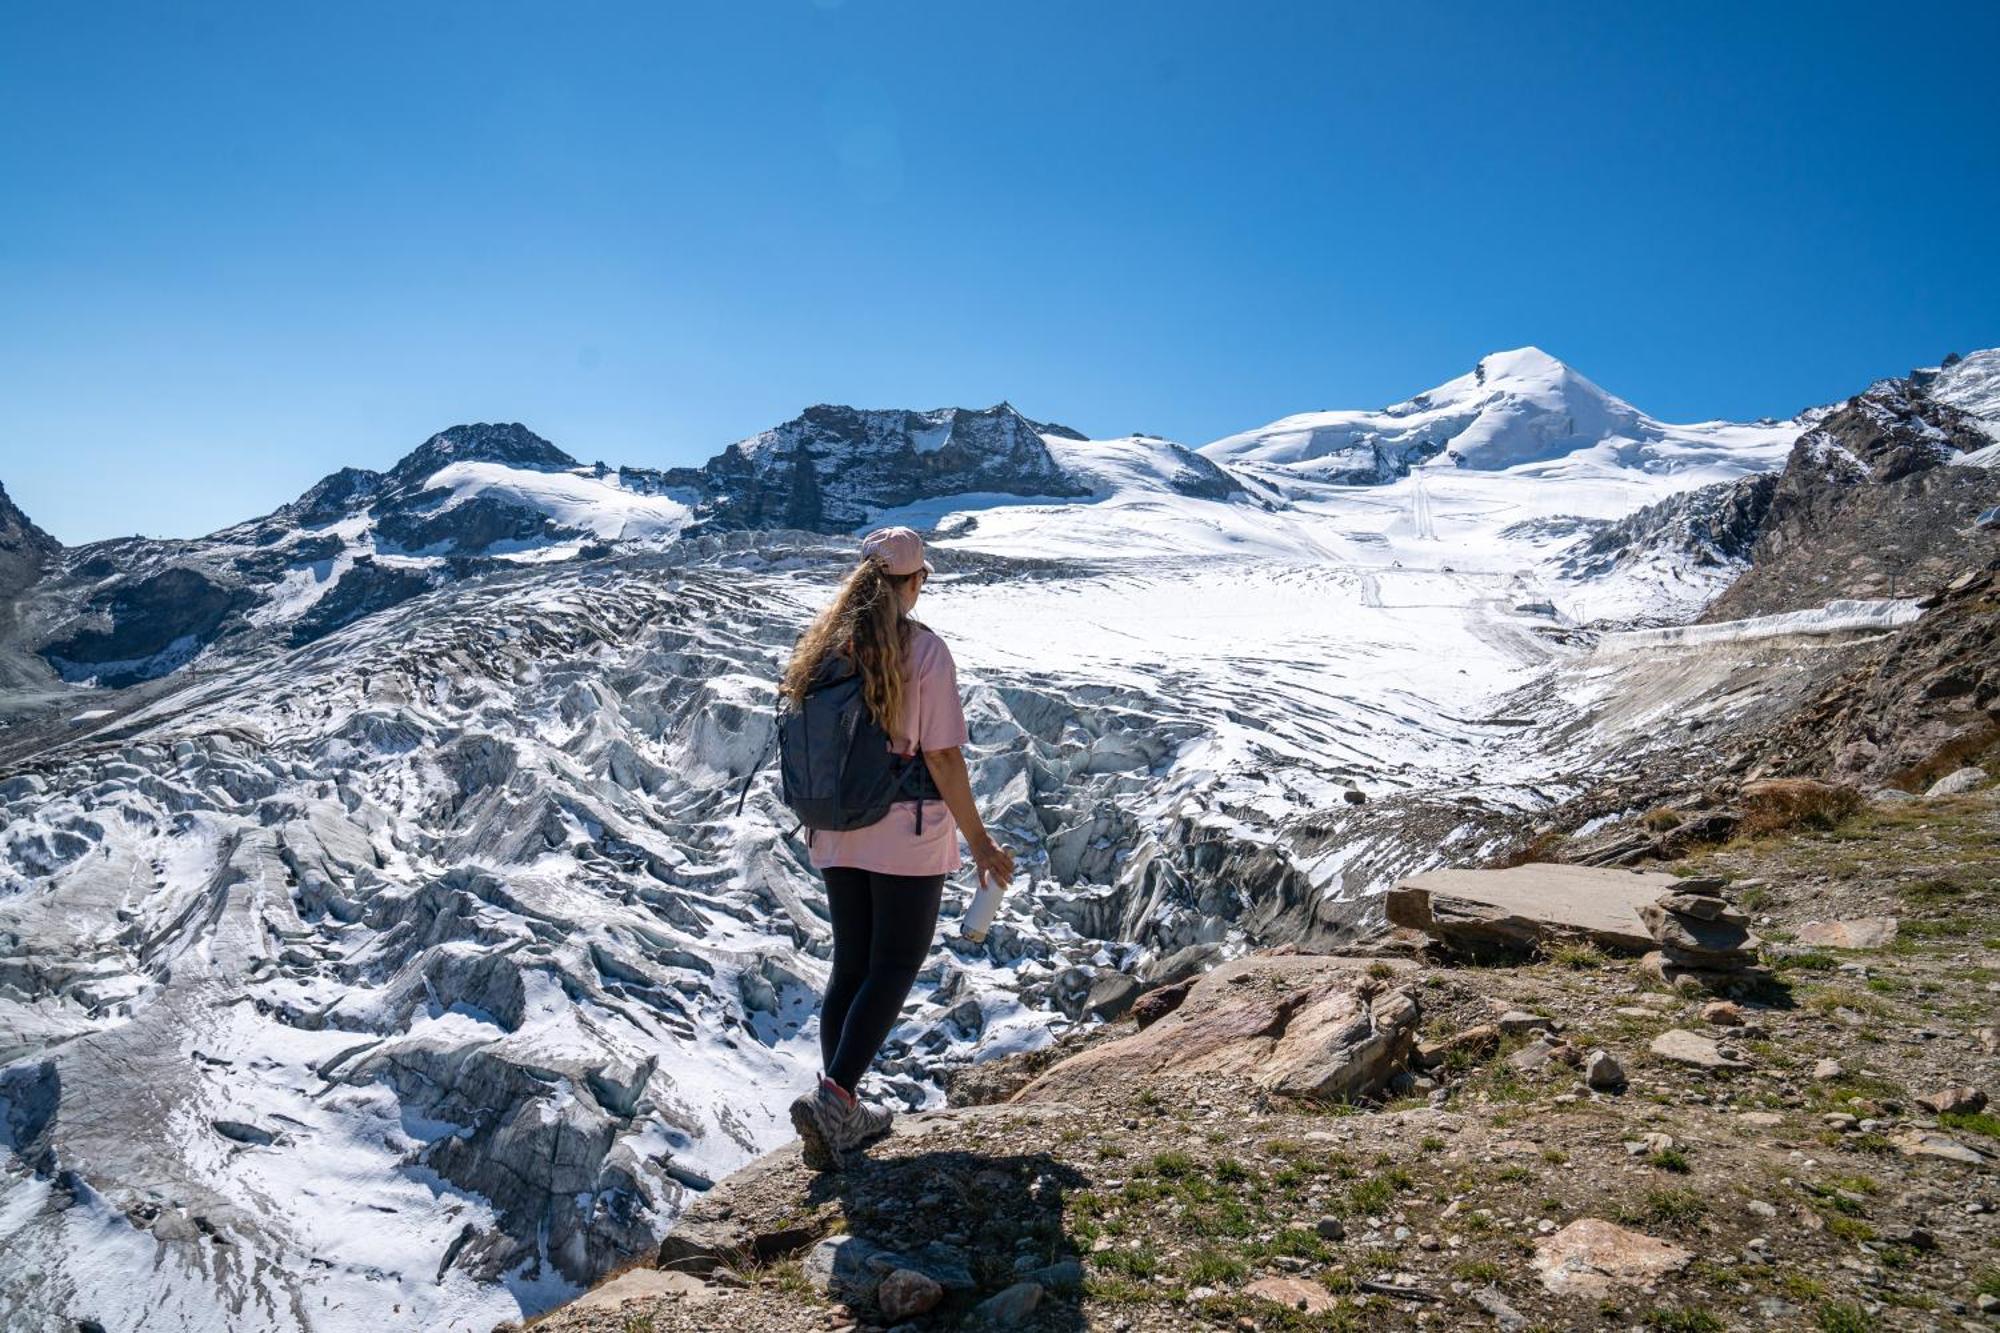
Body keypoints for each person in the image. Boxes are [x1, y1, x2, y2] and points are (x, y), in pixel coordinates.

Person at [780, 526, 1016, 1169]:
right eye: (920, 580)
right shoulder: (924, 651)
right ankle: (837, 1100)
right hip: (906, 830)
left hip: (835, 827)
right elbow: (940, 754)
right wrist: (980, 840)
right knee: (895, 962)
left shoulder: (823, 649)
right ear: (912, 583)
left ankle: (840, 1107)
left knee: (851, 965)